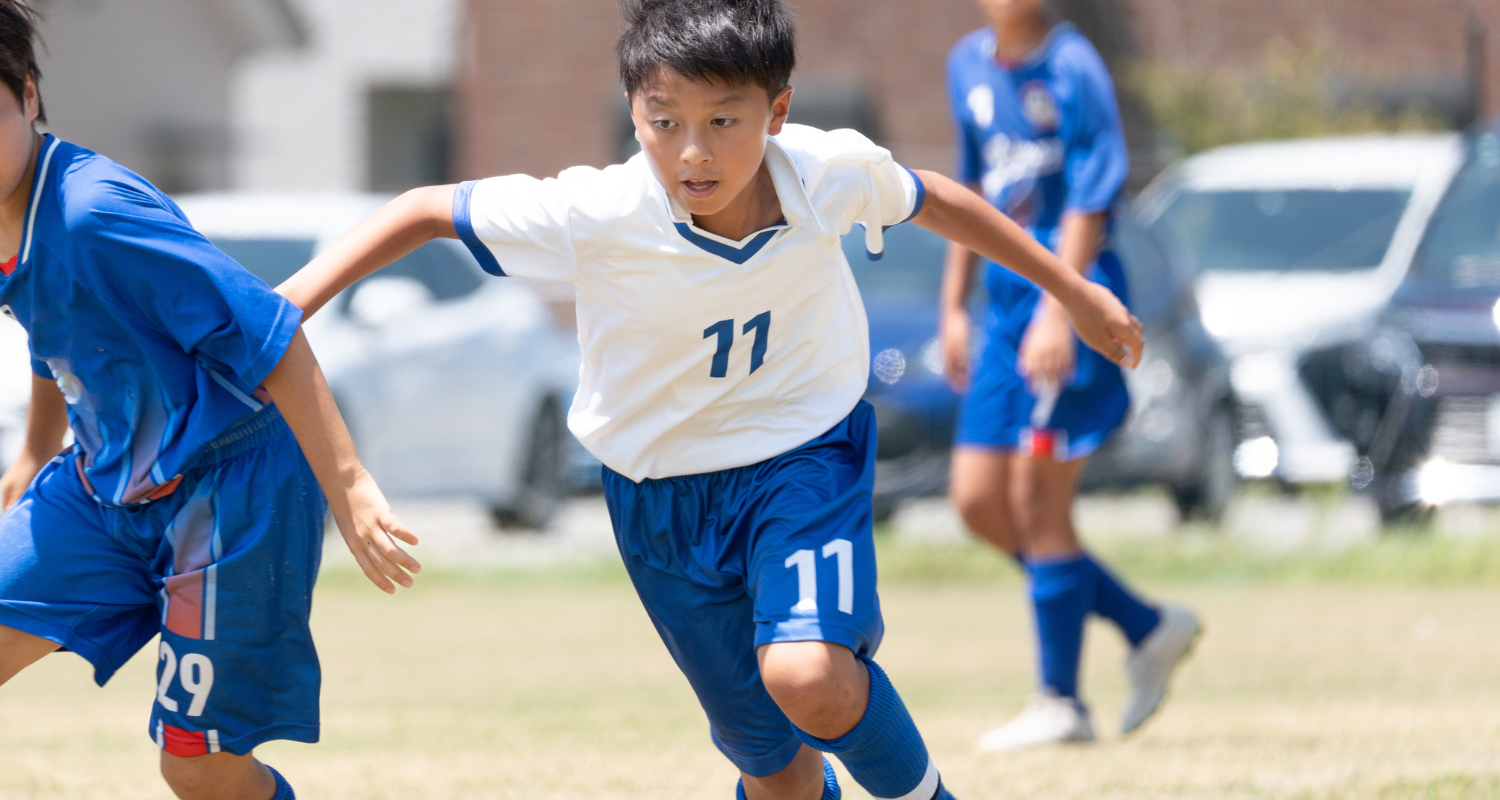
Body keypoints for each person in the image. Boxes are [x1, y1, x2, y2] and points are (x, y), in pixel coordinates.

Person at [279, 1, 1141, 796]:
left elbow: (937, 198)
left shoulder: (829, 172)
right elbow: (427, 209)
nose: (692, 152)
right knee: (778, 770)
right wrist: (286, 307)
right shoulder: (601, 208)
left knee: (809, 675)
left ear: (777, 111)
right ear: (634, 113)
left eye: (723, 121)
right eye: (664, 123)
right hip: (659, 498)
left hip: (803, 456)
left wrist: (1074, 291)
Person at [0, 3, 421, 798]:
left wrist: (350, 484)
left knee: (199, 768)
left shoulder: (95, 214)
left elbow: (270, 331)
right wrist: (32, 450)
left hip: (233, 493)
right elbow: (49, 320)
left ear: (26, 93)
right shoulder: (10, 215)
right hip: (102, 487)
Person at [940, 0, 1201, 752]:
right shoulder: (966, 64)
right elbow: (968, 187)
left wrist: (1064, 308)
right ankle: (1145, 626)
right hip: (1002, 315)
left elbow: (1094, 190)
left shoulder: (1074, 64)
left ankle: (1061, 702)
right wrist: (954, 304)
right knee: (979, 501)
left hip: (1067, 306)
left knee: (1035, 497)